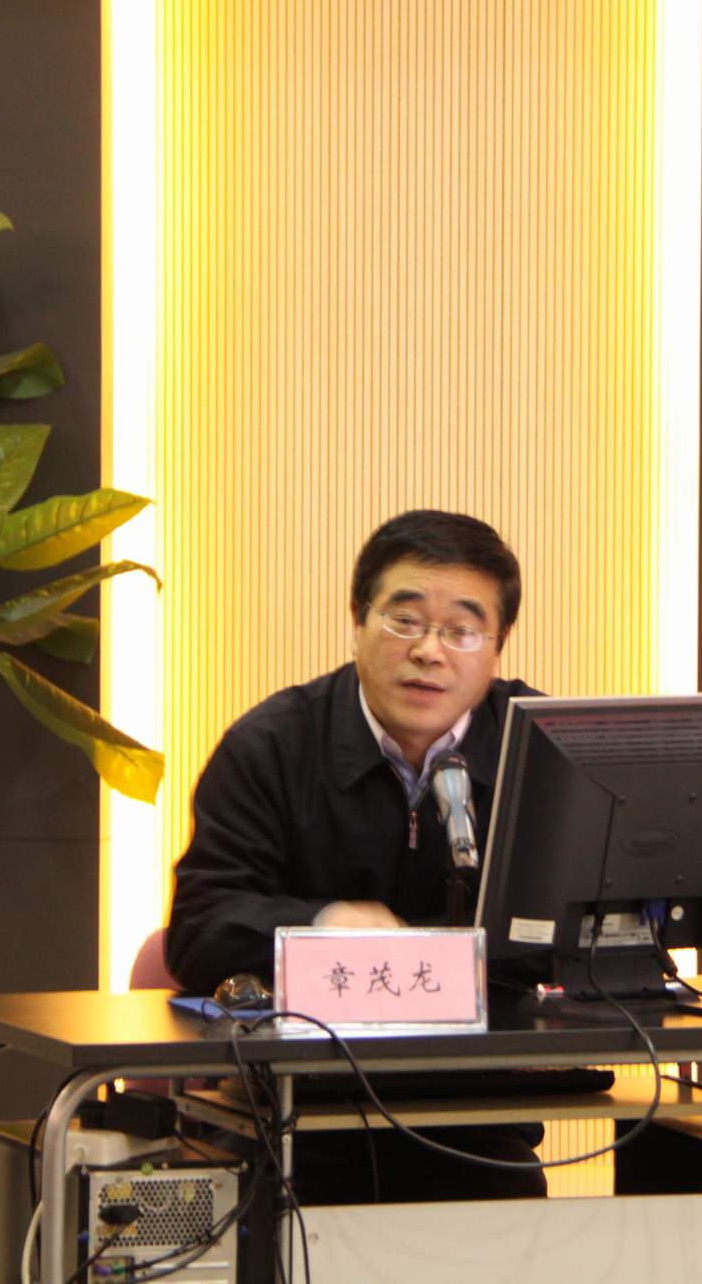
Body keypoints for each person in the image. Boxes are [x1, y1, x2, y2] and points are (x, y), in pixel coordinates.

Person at [165, 509, 547, 1203]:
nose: (429, 651)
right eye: (405, 620)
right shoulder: (271, 747)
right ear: (357, 619)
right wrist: (321, 922)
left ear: (499, 646)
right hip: (292, 1113)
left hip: (475, 1112)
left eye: (461, 630)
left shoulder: (541, 751)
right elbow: (200, 928)